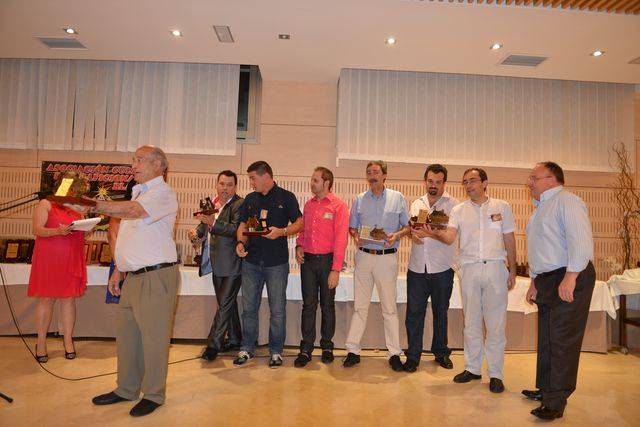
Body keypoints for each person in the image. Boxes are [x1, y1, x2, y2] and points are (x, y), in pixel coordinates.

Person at [90, 145, 179, 417]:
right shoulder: (138, 192)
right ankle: (126, 388)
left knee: (154, 339)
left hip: (156, 275)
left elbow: (132, 212)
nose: (133, 165)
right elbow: (130, 239)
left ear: (158, 166)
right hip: (133, 276)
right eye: (133, 160)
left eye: (139, 160)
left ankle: (153, 394)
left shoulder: (163, 193)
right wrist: (119, 269)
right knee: (127, 337)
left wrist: (93, 204)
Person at [432, 167, 516, 393]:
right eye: (465, 182)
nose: (468, 185)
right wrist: (434, 232)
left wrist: (512, 270)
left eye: (472, 181)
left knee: (496, 324)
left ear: (485, 183)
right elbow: (450, 236)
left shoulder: (502, 207)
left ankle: (496, 374)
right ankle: (472, 368)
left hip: (496, 268)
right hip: (469, 269)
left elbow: (509, 238)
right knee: (471, 322)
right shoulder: (458, 210)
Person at [523, 162, 595, 421]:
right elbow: (539, 250)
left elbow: (581, 242)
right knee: (547, 338)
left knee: (562, 340)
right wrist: (534, 281)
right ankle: (546, 389)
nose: (529, 182)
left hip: (568, 275)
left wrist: (571, 277)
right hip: (547, 279)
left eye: (534, 177)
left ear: (552, 179)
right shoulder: (540, 208)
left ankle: (556, 401)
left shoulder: (568, 201)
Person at [233, 161, 303, 368]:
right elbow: (243, 225)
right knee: (248, 308)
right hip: (251, 262)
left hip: (276, 263)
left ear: (266, 176)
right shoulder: (250, 199)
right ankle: (247, 348)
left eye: (253, 178)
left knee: (277, 310)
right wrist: (240, 243)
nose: (251, 183)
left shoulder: (286, 197)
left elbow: (300, 223)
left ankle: (276, 351)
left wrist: (282, 232)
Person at [344, 160, 410, 372]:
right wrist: (356, 237)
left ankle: (394, 353)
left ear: (384, 175)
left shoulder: (397, 198)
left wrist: (396, 235)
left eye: (376, 172)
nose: (372, 175)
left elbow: (407, 226)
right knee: (360, 307)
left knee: (389, 308)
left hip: (386, 258)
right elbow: (352, 227)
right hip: (364, 257)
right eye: (369, 172)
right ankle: (353, 350)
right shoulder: (360, 199)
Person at [28, 171, 90, 362]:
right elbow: (37, 229)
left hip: (71, 257)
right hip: (49, 258)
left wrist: (88, 227)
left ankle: (68, 341)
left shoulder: (77, 207)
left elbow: (82, 233)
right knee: (46, 299)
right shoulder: (45, 204)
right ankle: (41, 343)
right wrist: (57, 231)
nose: (74, 192)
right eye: (71, 188)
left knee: (68, 300)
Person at [404, 164, 459, 372]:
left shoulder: (454, 206)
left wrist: (430, 233)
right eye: (430, 181)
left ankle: (441, 353)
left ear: (444, 183)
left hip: (442, 268)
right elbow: (414, 229)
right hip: (417, 268)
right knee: (413, 314)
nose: (433, 185)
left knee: (440, 313)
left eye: (437, 182)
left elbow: (449, 238)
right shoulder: (417, 203)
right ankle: (413, 356)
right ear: (425, 181)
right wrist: (415, 235)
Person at [293, 167, 349, 367]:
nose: (312, 183)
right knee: (308, 305)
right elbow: (303, 231)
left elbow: (341, 240)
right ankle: (306, 348)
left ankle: (327, 346)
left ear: (326, 183)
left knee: (327, 305)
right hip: (308, 261)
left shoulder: (338, 206)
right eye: (312, 179)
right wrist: (299, 245)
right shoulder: (308, 205)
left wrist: (335, 269)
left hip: (327, 262)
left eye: (315, 180)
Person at [189, 170, 244, 361]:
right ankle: (235, 339)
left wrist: (213, 222)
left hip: (232, 264)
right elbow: (204, 227)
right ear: (216, 185)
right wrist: (196, 233)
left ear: (235, 187)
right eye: (222, 184)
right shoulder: (213, 204)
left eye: (229, 185)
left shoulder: (239, 204)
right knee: (227, 304)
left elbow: (236, 229)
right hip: (215, 262)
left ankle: (213, 345)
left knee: (224, 305)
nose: (225, 188)